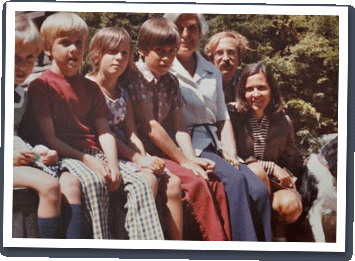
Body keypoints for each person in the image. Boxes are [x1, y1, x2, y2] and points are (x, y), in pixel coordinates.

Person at [164, 13, 272, 241]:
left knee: (260, 191)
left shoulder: (211, 70)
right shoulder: (165, 66)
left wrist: (231, 153)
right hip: (188, 143)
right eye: (179, 27)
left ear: (200, 32)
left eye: (192, 28)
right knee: (234, 181)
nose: (185, 34)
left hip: (215, 142)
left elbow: (222, 118)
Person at [18, 12, 124, 239]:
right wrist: (88, 160)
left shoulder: (91, 88)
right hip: (64, 153)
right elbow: (49, 136)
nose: (74, 49)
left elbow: (104, 131)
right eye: (65, 43)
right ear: (47, 48)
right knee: (92, 182)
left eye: (79, 43)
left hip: (93, 152)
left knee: (143, 181)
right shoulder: (41, 85)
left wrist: (113, 164)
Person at [127, 17, 231, 241]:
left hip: (165, 150)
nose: (166, 58)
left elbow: (179, 126)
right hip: (140, 152)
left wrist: (191, 157)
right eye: (160, 51)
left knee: (211, 179)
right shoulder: (136, 77)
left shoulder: (171, 81)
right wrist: (184, 162)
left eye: (171, 51)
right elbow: (150, 126)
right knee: (195, 182)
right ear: (143, 50)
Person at [87, 26, 181, 240]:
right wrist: (138, 159)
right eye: (112, 52)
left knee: (171, 180)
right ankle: (136, 240)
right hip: (104, 152)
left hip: (127, 153)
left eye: (124, 53)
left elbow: (131, 133)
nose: (119, 58)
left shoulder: (123, 90)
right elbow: (105, 132)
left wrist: (145, 158)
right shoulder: (90, 86)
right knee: (148, 180)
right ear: (96, 54)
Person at [13, 14, 85, 239]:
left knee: (71, 181)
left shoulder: (20, 94)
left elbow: (21, 134)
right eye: (15, 58)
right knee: (49, 186)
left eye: (29, 59)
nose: (23, 66)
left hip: (18, 156)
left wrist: (42, 150)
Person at [229, 62, 304, 241]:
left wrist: (289, 176)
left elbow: (293, 160)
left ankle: (279, 238)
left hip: (275, 186)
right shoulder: (233, 116)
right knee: (257, 171)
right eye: (249, 89)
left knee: (289, 206)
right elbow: (231, 155)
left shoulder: (282, 121)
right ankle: (269, 238)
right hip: (244, 182)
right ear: (242, 92)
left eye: (261, 88)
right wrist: (269, 166)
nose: (255, 94)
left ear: (272, 90)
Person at [204, 30, 251, 104]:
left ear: (239, 56)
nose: (226, 58)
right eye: (219, 53)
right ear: (212, 58)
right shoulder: (203, 85)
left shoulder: (249, 83)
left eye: (231, 52)